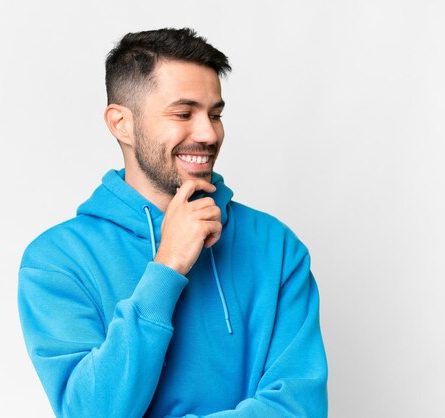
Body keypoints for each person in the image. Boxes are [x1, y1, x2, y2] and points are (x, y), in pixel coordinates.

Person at [18, 27, 328, 418]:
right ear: (121, 123)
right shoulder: (56, 260)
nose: (208, 133)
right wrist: (167, 268)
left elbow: (299, 407)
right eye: (184, 113)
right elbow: (90, 412)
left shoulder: (277, 246)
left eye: (215, 114)